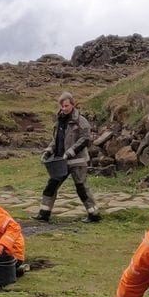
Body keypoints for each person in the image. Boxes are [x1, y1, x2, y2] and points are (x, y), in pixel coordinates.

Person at [40, 91, 101, 223]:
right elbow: (56, 140)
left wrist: (71, 152)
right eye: (62, 106)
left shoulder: (81, 121)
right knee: (51, 185)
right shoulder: (59, 121)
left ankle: (94, 214)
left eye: (66, 106)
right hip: (60, 161)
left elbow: (85, 138)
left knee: (81, 188)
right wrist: (48, 150)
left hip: (77, 161)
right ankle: (44, 213)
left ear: (72, 105)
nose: (64, 108)